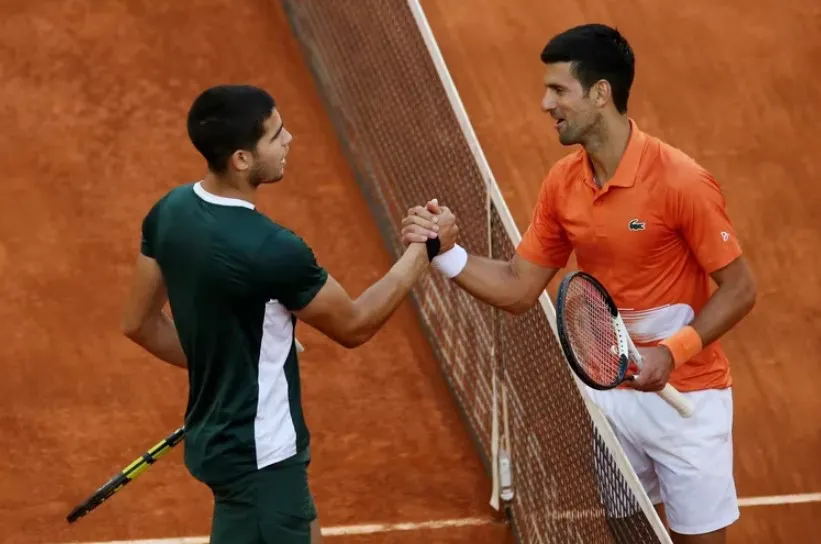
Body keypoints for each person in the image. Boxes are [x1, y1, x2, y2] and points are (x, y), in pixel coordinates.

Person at [401, 24, 756, 544]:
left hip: (689, 401)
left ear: (600, 93)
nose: (546, 103)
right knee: (629, 534)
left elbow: (740, 288)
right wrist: (445, 253)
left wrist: (671, 353)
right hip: (611, 396)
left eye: (558, 90)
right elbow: (519, 286)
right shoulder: (563, 183)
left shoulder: (681, 181)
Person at [119, 84, 457, 544]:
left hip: (233, 447)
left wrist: (238, 363)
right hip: (262, 462)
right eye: (276, 136)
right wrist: (425, 249)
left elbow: (140, 323)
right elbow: (355, 324)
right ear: (241, 159)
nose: (289, 140)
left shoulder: (170, 211)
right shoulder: (271, 248)